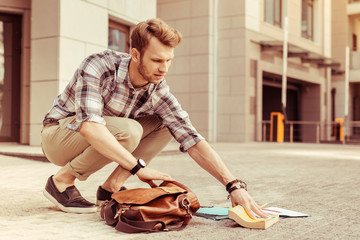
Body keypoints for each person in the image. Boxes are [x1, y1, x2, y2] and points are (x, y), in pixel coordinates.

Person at [41, 18, 268, 218]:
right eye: (157, 61)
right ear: (135, 54)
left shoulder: (158, 90)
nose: (164, 68)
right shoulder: (99, 65)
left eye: (169, 60)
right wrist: (137, 168)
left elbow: (191, 138)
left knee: (165, 124)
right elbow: (89, 126)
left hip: (100, 134)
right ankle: (60, 182)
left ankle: (111, 188)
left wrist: (233, 185)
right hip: (59, 136)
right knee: (129, 130)